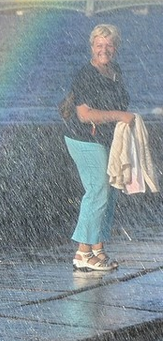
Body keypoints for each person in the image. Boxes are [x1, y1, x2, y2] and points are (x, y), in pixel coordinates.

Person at [62, 23, 134, 272]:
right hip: (84, 139)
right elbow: (84, 114)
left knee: (110, 193)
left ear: (115, 48)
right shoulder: (86, 74)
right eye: (99, 45)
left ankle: (98, 250)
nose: (104, 49)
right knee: (97, 192)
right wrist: (120, 116)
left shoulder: (114, 71)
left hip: (105, 140)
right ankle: (83, 253)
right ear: (92, 47)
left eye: (109, 45)